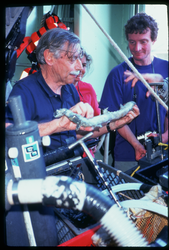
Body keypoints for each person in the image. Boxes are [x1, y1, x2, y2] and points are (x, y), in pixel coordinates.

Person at [5, 28, 139, 153]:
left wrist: (114, 124)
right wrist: (58, 124)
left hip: (70, 169)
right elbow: (9, 135)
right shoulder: (24, 91)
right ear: (49, 57)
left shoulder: (69, 90)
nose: (80, 67)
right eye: (73, 59)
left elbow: (76, 135)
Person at [99, 13, 168, 172]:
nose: (137, 48)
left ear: (153, 40)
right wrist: (136, 145)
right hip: (127, 155)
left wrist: (164, 137)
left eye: (143, 42)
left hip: (162, 153)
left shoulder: (165, 69)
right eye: (132, 42)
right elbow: (114, 117)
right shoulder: (117, 74)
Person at [73, 49, 100, 116]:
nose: (80, 68)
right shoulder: (58, 88)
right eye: (75, 64)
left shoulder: (88, 89)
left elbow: (97, 120)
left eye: (84, 65)